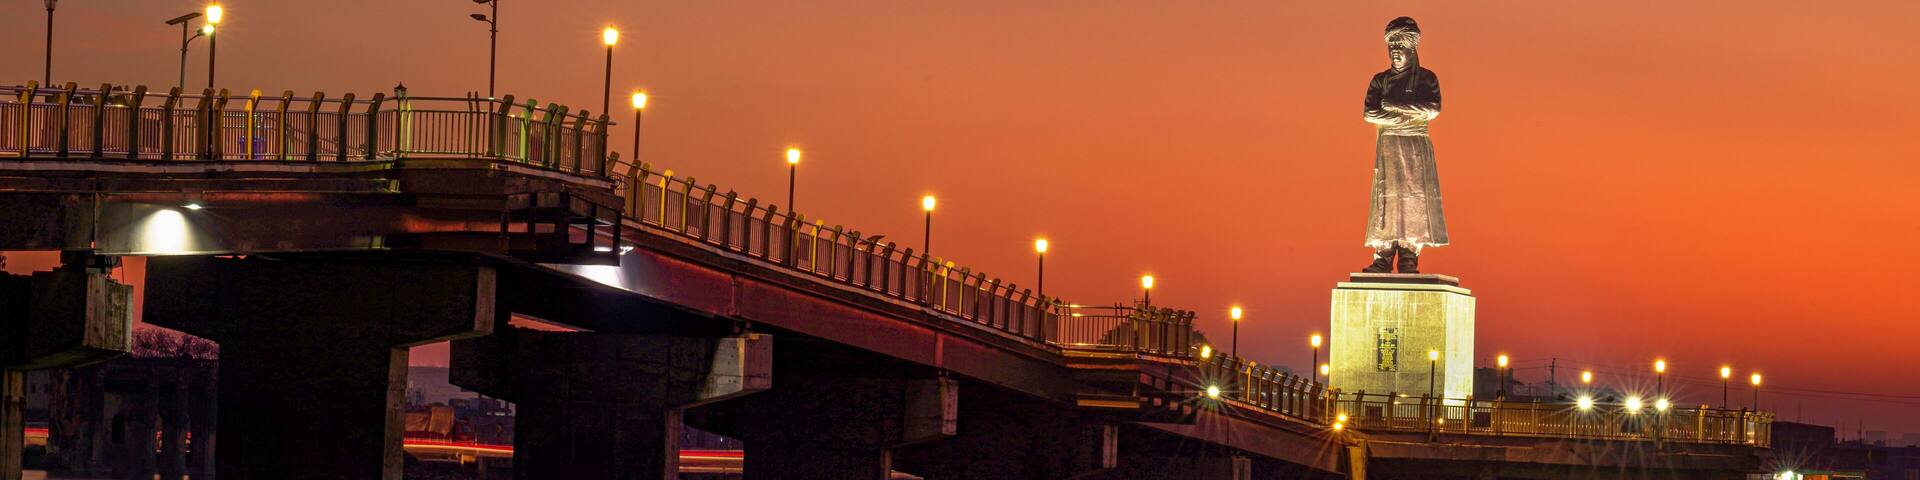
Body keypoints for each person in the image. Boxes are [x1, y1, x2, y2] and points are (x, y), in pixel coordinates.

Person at [1361, 16, 1448, 274]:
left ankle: (1409, 256)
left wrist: (1394, 108)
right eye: (1392, 48)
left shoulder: (1427, 79)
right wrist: (1405, 117)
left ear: (1412, 49)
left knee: (1414, 199)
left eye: (1401, 48)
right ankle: (1384, 256)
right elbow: (1370, 113)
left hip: (1415, 146)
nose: (1395, 53)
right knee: (1387, 199)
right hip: (1388, 146)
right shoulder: (1380, 80)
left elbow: (1432, 108)